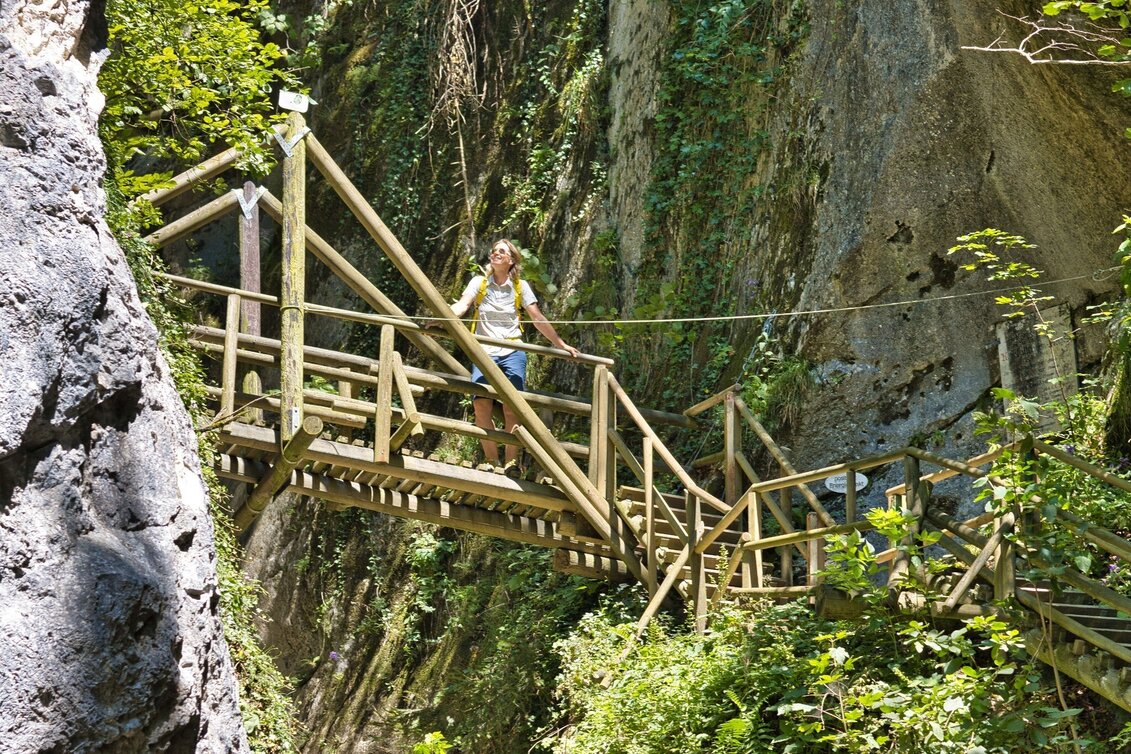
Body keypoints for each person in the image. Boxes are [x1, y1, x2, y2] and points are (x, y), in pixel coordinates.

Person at [447, 239, 579, 476]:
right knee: (481, 405)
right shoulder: (479, 282)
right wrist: (441, 318)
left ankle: (511, 462)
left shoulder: (520, 286)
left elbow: (537, 318)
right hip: (484, 350)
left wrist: (561, 344)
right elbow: (462, 307)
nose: (496, 253)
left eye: (502, 251)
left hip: (512, 351)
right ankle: (491, 461)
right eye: (494, 250)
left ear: (511, 260)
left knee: (512, 408)